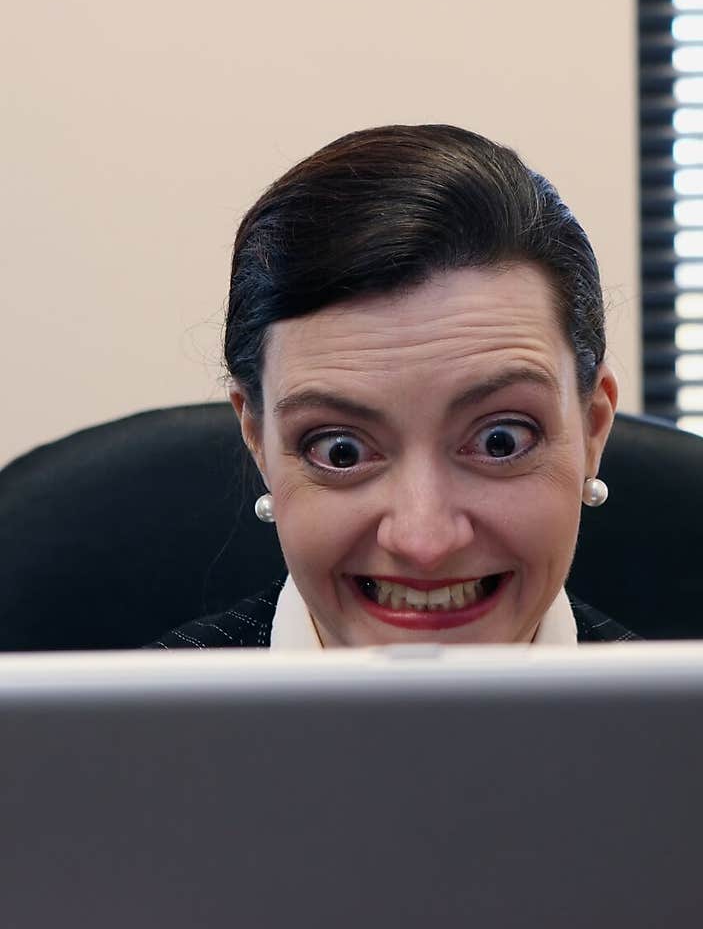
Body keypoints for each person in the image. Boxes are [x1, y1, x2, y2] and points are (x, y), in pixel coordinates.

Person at [149, 123, 638, 648]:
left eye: (502, 441)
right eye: (340, 450)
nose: (423, 541)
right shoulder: (131, 729)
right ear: (257, 439)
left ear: (592, 428)